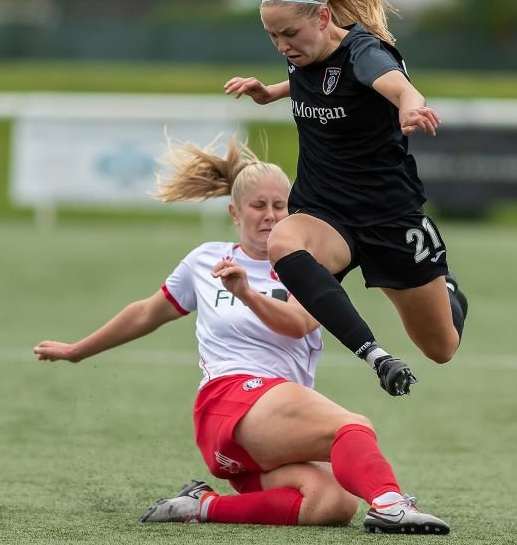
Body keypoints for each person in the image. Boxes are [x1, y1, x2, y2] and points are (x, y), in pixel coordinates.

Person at [33, 139, 450, 534]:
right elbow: (147, 312)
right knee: (353, 427)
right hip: (227, 400)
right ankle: (392, 504)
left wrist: (246, 294)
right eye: (258, 206)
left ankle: (202, 506)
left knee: (332, 504)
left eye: (280, 206)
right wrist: (76, 351)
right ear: (235, 213)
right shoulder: (206, 259)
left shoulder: (307, 267)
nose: (270, 215)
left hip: (271, 423)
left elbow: (298, 322)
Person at [224, 0, 468, 398]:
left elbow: (393, 84)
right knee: (283, 241)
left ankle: (447, 288)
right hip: (324, 211)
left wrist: (410, 105)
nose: (281, 46)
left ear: (322, 17)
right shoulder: (304, 52)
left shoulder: (365, 51)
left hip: (387, 217)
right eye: (272, 36)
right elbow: (311, 79)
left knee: (441, 347)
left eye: (289, 34)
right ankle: (377, 356)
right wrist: (270, 93)